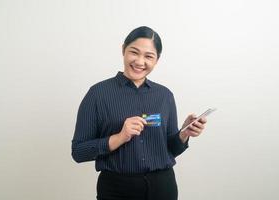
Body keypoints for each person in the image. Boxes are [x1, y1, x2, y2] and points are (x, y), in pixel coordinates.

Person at [71, 26, 207, 200]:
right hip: (117, 189)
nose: (140, 62)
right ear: (123, 50)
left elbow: (170, 149)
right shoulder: (98, 94)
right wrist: (119, 137)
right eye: (134, 52)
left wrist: (184, 134)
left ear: (157, 60)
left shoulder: (164, 95)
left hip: (163, 188)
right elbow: (78, 152)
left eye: (149, 56)